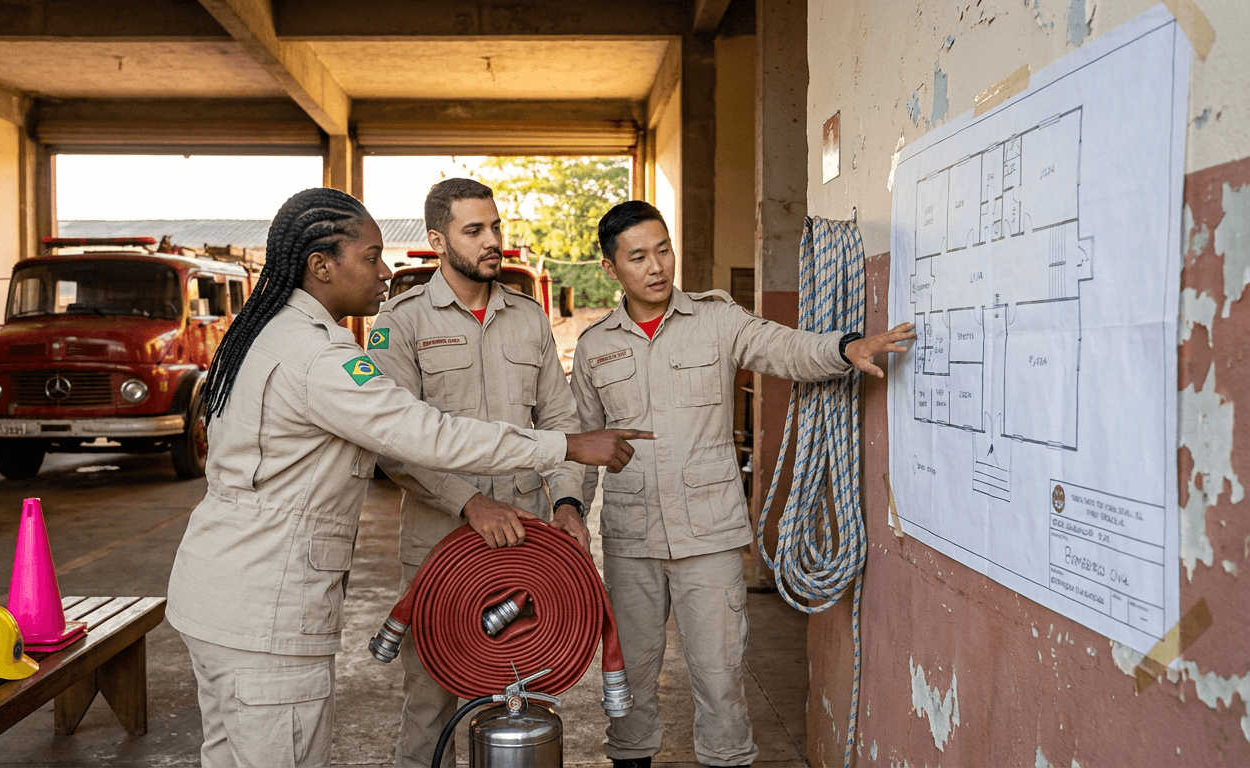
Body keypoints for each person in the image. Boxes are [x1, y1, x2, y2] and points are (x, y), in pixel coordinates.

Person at [164, 188, 653, 768]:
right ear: (321, 266)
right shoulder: (323, 356)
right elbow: (419, 434)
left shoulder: (275, 332)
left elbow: (541, 411)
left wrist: (566, 496)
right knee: (402, 715)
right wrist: (566, 446)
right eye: (371, 258)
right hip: (267, 605)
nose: (385, 271)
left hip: (228, 594)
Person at [570, 201, 914, 768]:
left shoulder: (716, 319)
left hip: (709, 535)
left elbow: (784, 347)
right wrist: (569, 513)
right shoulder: (594, 346)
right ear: (611, 268)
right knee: (628, 678)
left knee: (720, 678)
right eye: (638, 257)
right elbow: (580, 444)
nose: (656, 266)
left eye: (663, 250)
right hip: (632, 539)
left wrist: (844, 348)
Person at [367, 178, 588, 767]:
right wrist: (470, 503)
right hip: (440, 545)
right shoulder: (401, 322)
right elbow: (392, 441)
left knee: (520, 700)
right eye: (474, 230)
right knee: (430, 705)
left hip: (524, 545)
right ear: (439, 240)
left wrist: (568, 503)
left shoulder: (528, 317)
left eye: (495, 226)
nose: (493, 240)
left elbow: (560, 422)